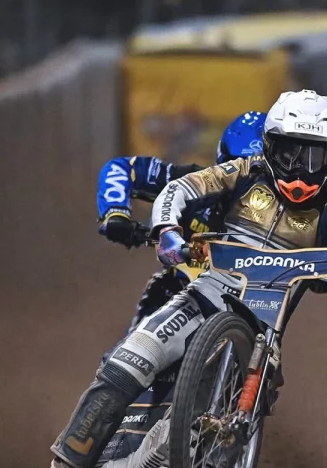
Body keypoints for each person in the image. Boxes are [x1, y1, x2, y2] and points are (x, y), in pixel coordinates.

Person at [29, 89, 327, 468]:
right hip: (199, 296)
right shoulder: (241, 173)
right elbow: (178, 187)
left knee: (257, 398)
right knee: (128, 360)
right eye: (292, 154)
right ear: (268, 148)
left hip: (262, 328)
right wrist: (163, 229)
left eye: (315, 157)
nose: (302, 169)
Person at [97, 110, 267, 329]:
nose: (245, 178)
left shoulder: (291, 214)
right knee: (152, 309)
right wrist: (116, 213)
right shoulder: (196, 182)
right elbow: (122, 168)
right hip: (180, 288)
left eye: (258, 171)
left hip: (250, 307)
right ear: (222, 160)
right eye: (237, 164)